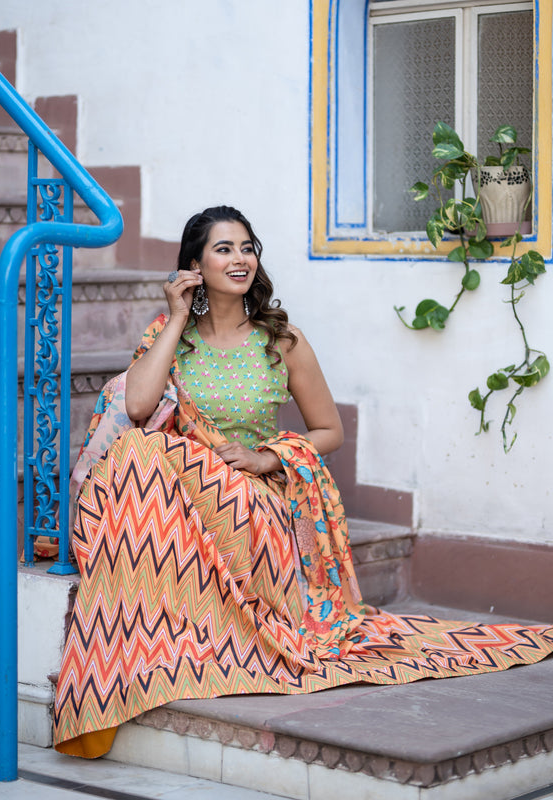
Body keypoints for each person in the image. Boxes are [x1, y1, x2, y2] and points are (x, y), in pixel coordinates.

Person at [54, 206, 553, 759]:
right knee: (144, 451)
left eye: (247, 247)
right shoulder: (171, 337)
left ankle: (103, 682)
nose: (240, 258)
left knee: (150, 455)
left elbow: (328, 430)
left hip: (250, 505)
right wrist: (174, 319)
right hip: (177, 504)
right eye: (224, 249)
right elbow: (141, 404)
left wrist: (269, 456)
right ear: (193, 266)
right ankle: (117, 667)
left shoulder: (281, 340)